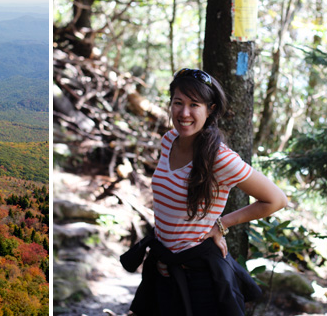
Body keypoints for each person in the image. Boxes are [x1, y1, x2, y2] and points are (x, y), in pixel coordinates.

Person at [122, 68, 288, 316]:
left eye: (194, 105)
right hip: (163, 270)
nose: (184, 113)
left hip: (200, 279)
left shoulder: (219, 158)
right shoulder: (169, 141)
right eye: (178, 103)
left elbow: (276, 199)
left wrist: (221, 224)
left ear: (209, 109)